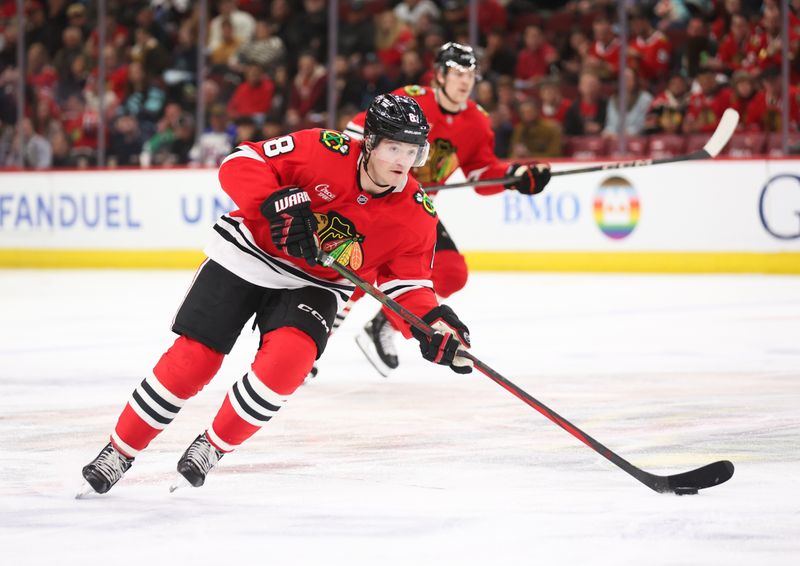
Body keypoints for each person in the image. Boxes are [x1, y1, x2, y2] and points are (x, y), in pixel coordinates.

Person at [80, 94, 474, 495]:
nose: (402, 162)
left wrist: (433, 325)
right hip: (248, 254)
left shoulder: (417, 213)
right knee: (193, 360)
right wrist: (273, 203)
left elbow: (407, 285)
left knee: (288, 363)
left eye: (412, 151)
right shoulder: (323, 149)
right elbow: (239, 162)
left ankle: (212, 447)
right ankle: (119, 451)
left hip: (318, 284)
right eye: (393, 147)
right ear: (369, 141)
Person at [341, 42, 551, 377]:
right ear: (439, 75)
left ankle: (384, 322)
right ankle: (312, 345)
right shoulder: (412, 102)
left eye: (470, 74)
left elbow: (482, 177)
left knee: (452, 271)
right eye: (456, 73)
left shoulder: (477, 122)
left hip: (413, 211)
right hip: (372, 200)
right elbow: (355, 133)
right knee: (353, 270)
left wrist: (514, 177)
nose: (464, 81)